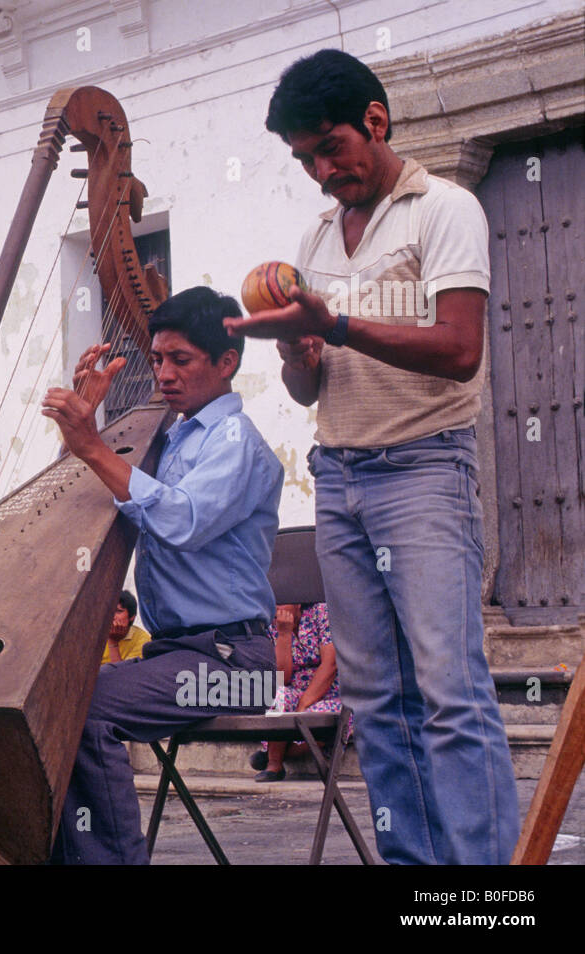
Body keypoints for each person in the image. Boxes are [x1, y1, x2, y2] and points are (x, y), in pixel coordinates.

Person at [225, 49, 518, 864]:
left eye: (329, 148)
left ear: (376, 122)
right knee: (378, 703)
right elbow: (309, 390)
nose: (321, 172)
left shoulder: (445, 209)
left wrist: (343, 326)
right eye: (304, 159)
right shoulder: (315, 240)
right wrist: (297, 351)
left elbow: (460, 350)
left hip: (425, 471)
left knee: (450, 693)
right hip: (341, 476)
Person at [42, 286, 283, 864]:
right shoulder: (170, 436)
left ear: (227, 363)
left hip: (237, 666)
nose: (165, 374)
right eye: (157, 359)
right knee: (54, 699)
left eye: (182, 360)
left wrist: (94, 445)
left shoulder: (235, 442)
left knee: (82, 707)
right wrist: (88, 423)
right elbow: (87, 490)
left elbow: (181, 521)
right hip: (178, 655)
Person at [249, 602, 349, 782]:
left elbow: (330, 664)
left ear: (297, 603)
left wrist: (302, 706)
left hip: (330, 692)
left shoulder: (321, 613)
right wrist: (284, 634)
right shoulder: (272, 625)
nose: (277, 610)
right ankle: (274, 765)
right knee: (278, 695)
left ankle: (274, 753)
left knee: (315, 720)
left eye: (282, 603)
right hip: (294, 691)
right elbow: (282, 678)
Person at [100, 590, 152, 666]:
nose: (112, 616)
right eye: (109, 610)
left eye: (118, 611)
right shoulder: (95, 632)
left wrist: (113, 642)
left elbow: (121, 675)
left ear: (131, 617)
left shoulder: (142, 640)